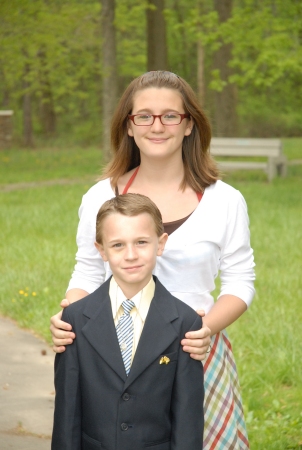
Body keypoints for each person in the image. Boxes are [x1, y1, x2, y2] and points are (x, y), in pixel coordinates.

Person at [50, 71, 255, 449]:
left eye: (170, 115)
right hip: (116, 358)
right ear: (129, 126)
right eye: (143, 115)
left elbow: (240, 282)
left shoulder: (225, 200)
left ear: (189, 123)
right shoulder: (100, 196)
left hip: (196, 350)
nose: (156, 126)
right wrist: (70, 317)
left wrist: (203, 330)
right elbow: (87, 269)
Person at [52, 193, 204, 450]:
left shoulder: (186, 323)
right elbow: (67, 412)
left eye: (142, 242)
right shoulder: (75, 320)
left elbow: (187, 418)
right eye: (118, 245)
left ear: (161, 243)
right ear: (101, 250)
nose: (131, 255)